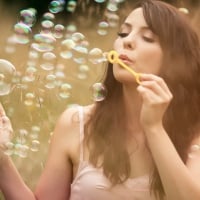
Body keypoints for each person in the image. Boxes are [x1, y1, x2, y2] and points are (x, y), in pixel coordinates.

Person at [1, 0, 200, 199]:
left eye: (147, 37)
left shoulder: (195, 135)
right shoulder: (78, 124)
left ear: (176, 60)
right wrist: (2, 161)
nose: (127, 41)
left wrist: (154, 127)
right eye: (123, 33)